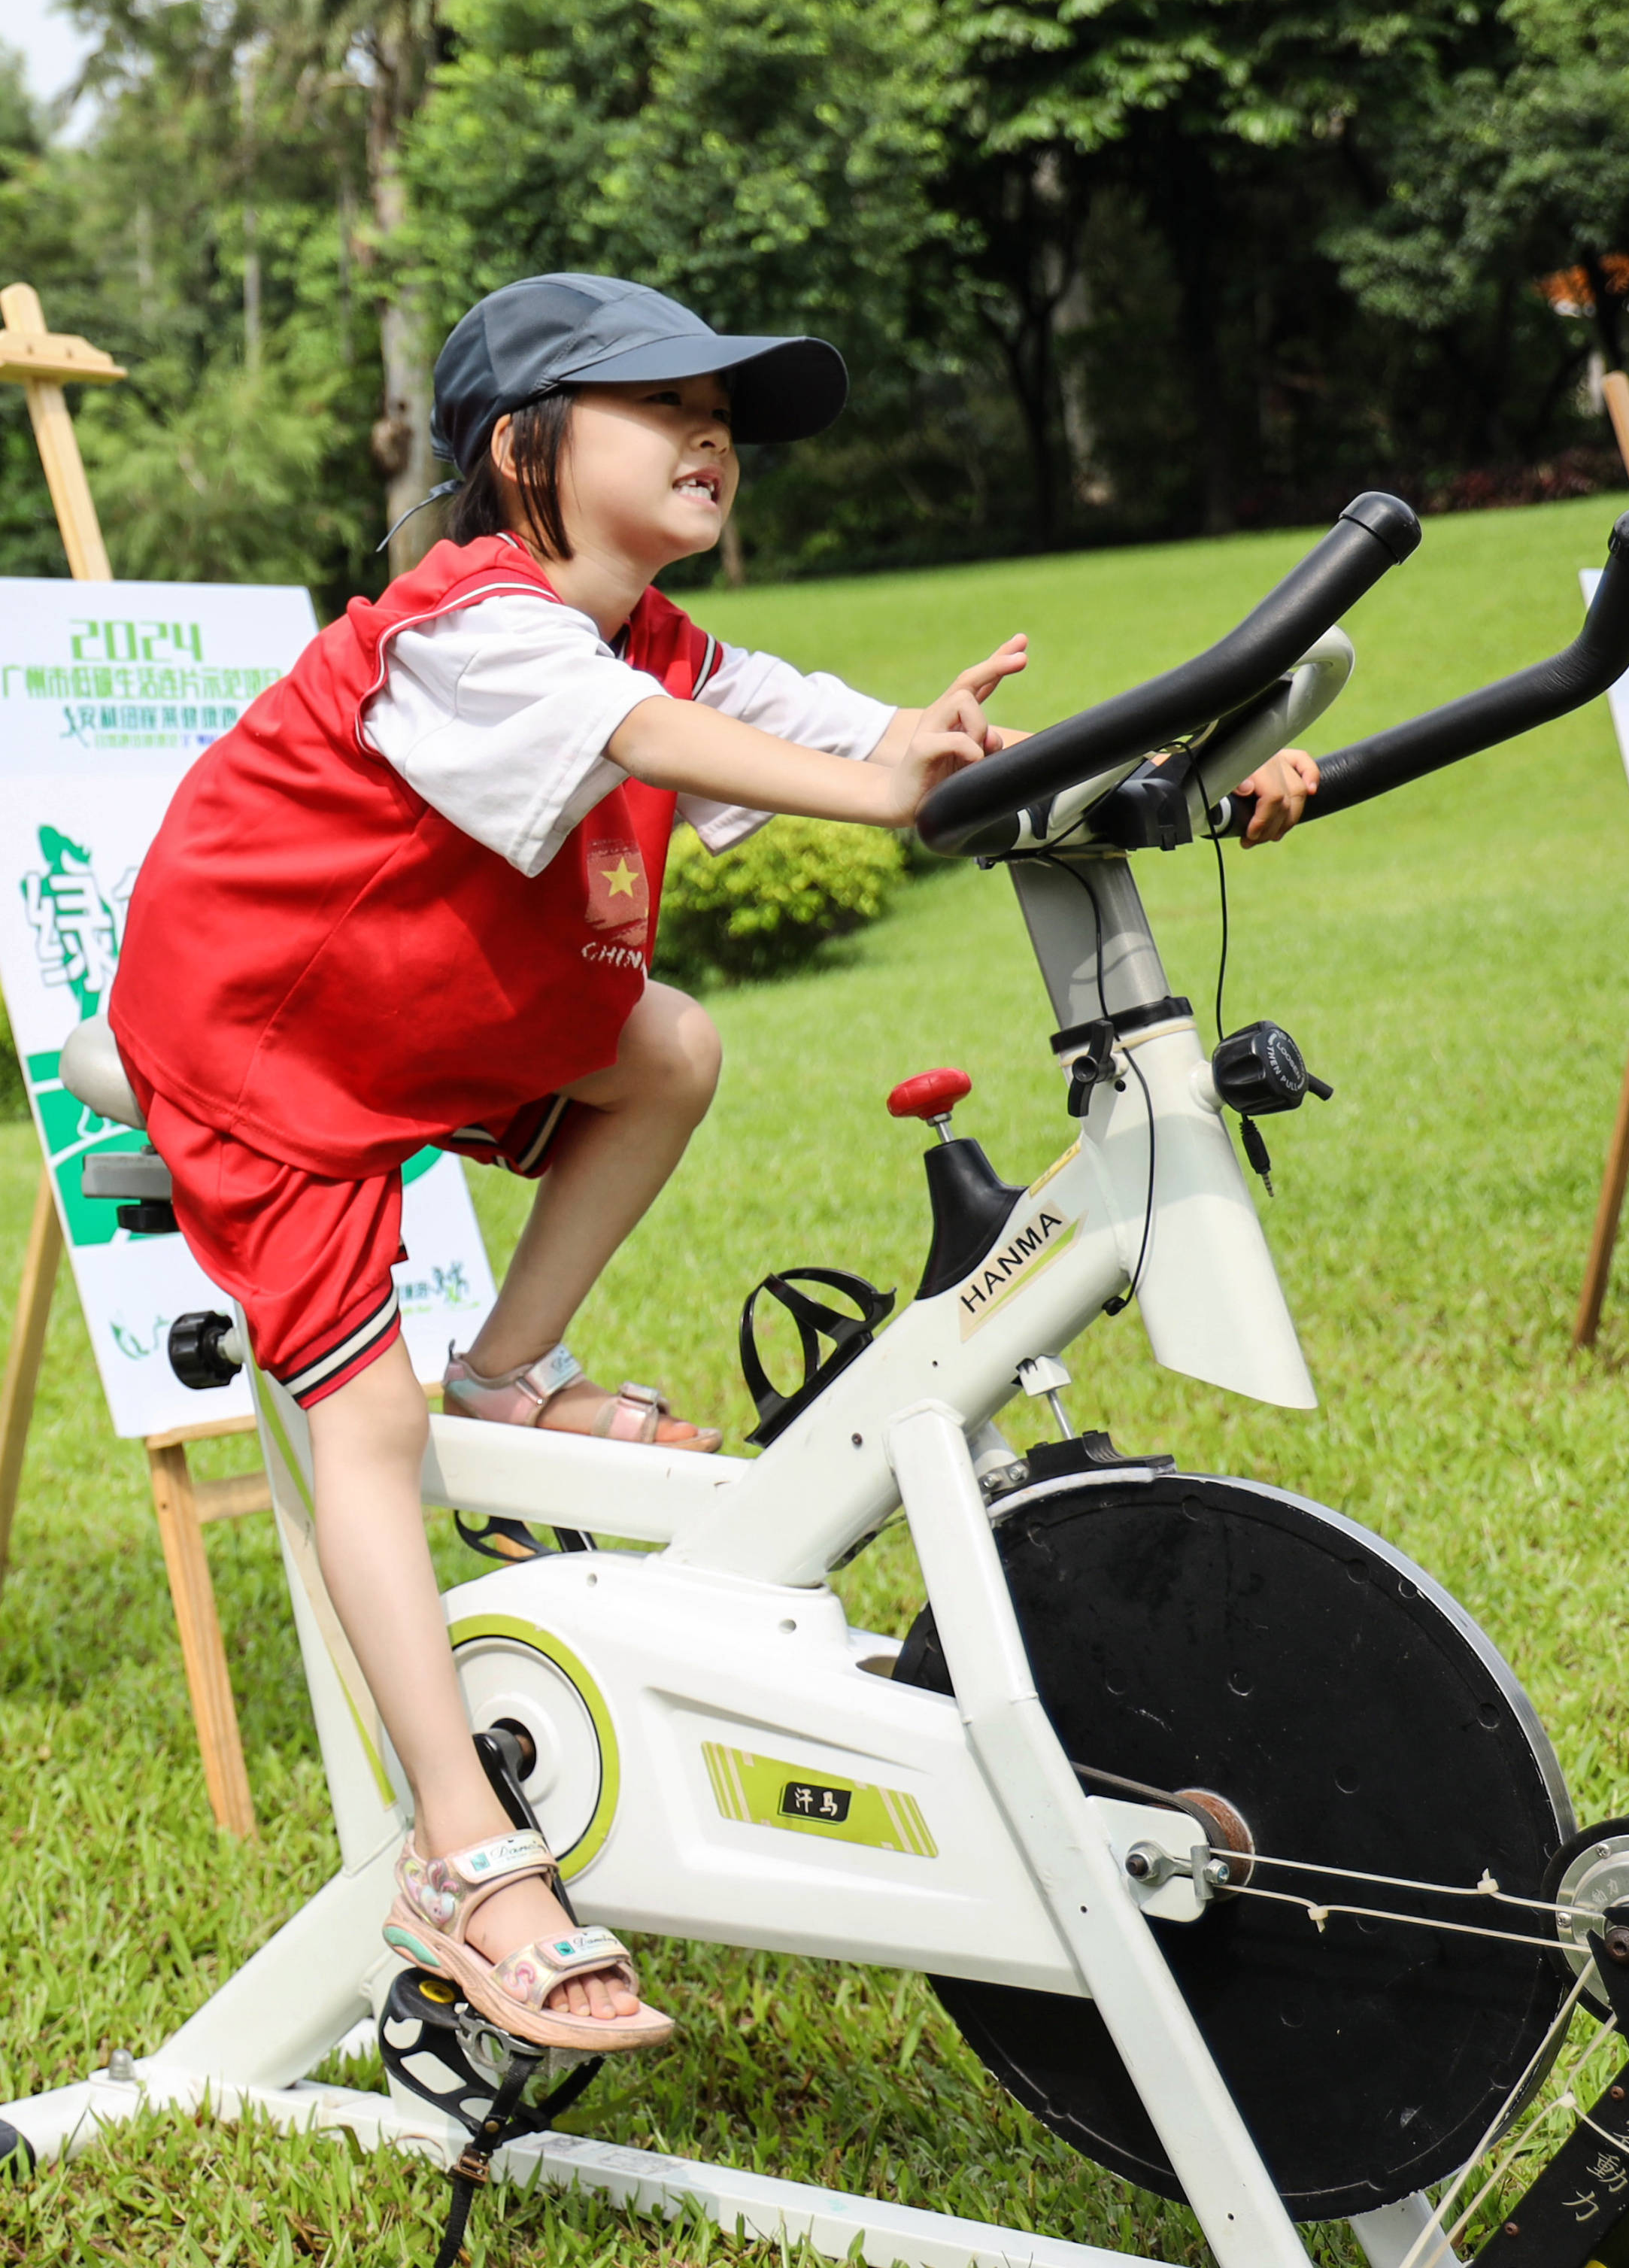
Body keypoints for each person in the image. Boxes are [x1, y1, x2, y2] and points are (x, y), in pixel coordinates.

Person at [101, 273, 1315, 2054]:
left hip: (433, 1009)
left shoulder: (669, 646)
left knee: (669, 1042)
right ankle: (459, 1850)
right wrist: (890, 780)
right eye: (659, 401)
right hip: (265, 1037)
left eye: (725, 413)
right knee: (360, 1425)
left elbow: (897, 740)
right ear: (522, 446)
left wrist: (1182, 757)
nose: (711, 435)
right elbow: (657, 747)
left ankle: (513, 1370)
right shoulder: (471, 626)